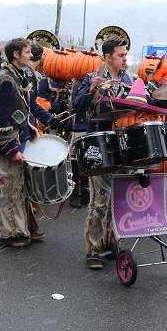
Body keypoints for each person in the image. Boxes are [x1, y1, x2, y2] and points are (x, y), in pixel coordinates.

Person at [72, 36, 133, 269]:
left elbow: (143, 104)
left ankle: (112, 239)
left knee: (119, 198)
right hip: (98, 145)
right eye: (120, 55)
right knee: (99, 200)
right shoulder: (91, 77)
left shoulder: (130, 79)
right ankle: (94, 248)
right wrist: (91, 90)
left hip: (123, 145)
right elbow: (76, 107)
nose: (125, 58)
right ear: (108, 57)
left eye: (126, 54)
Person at [0, 38, 46, 248]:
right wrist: (11, 149)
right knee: (10, 189)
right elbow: (0, 119)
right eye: (27, 52)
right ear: (15, 55)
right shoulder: (5, 81)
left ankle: (8, 230)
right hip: (8, 144)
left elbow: (26, 109)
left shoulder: (16, 76)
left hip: (19, 140)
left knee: (15, 188)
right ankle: (11, 234)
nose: (31, 56)